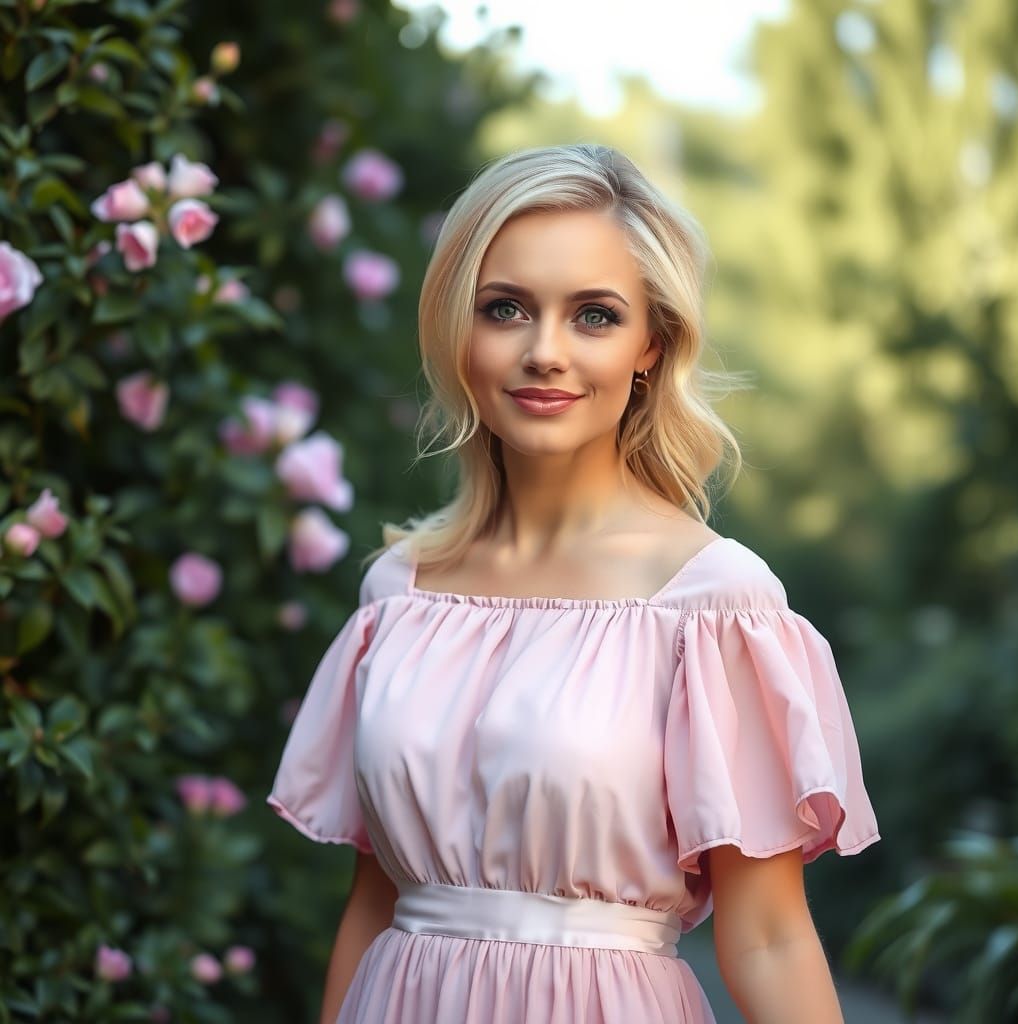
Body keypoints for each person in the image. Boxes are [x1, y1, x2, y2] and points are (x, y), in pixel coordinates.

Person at [266, 142, 881, 1023]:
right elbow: (375, 903)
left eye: (594, 315)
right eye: (506, 308)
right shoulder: (397, 595)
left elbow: (770, 938)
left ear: (650, 346)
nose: (544, 352)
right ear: (458, 329)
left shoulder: (712, 604)